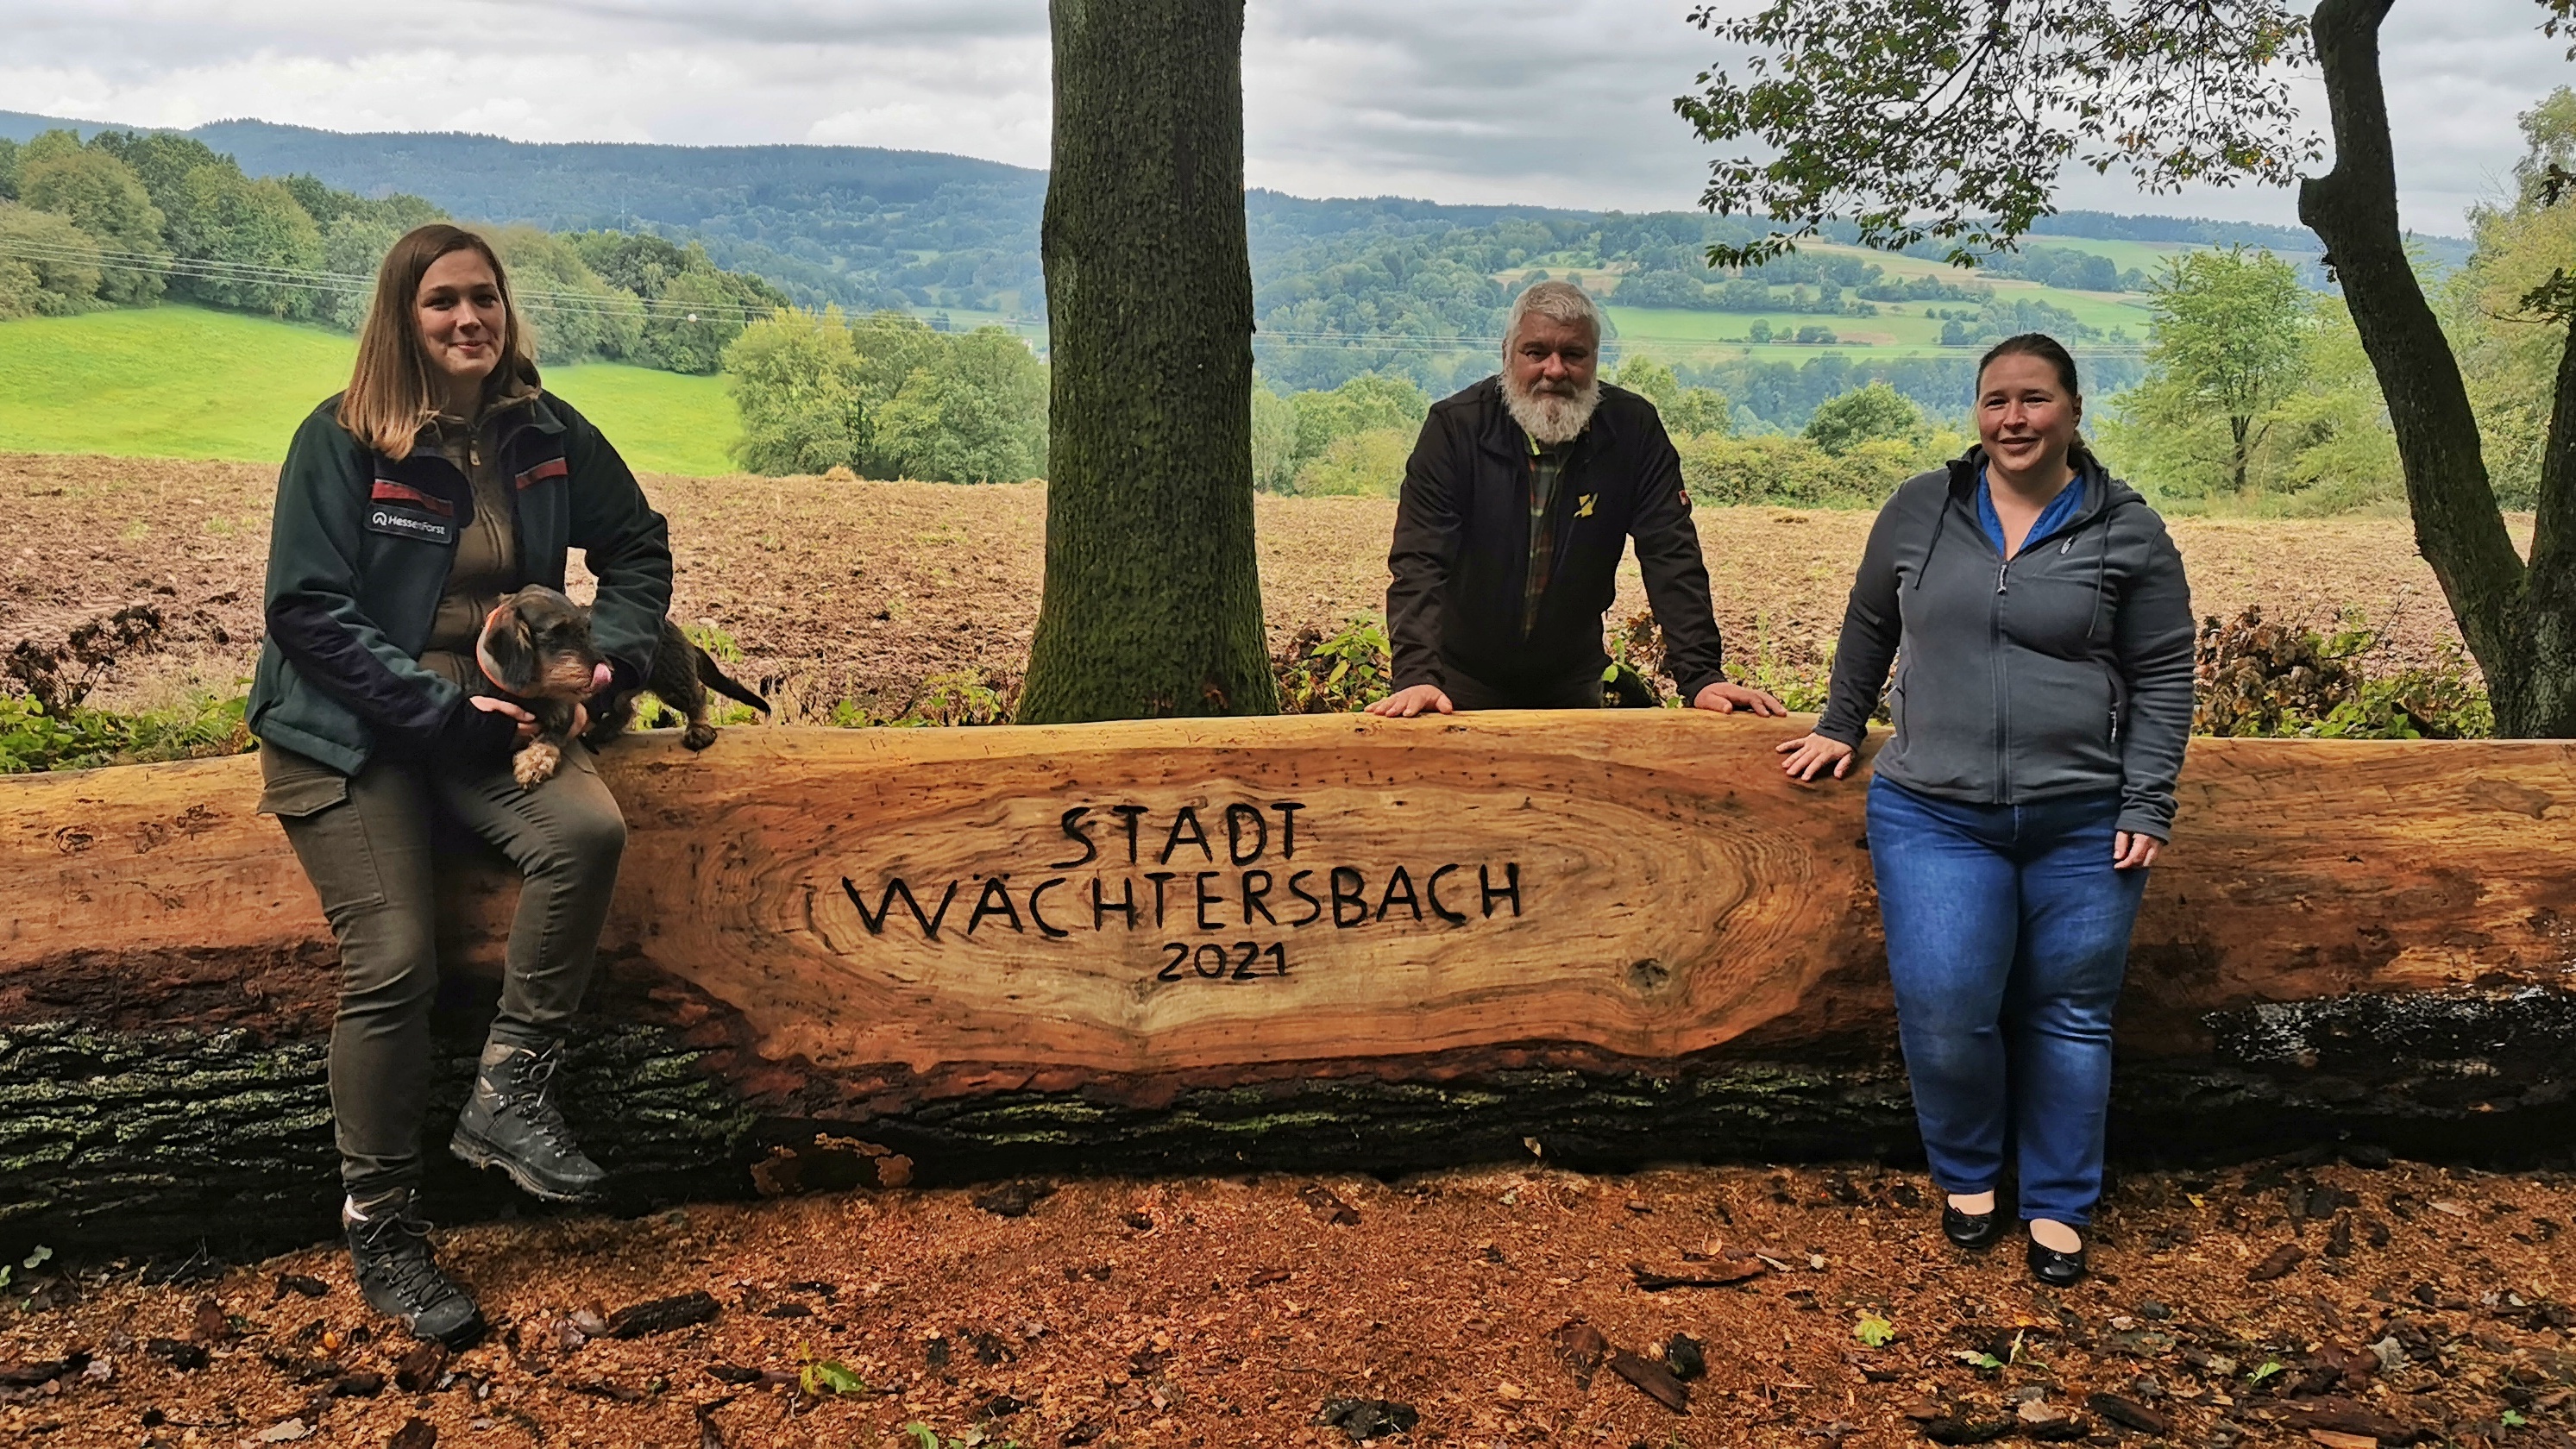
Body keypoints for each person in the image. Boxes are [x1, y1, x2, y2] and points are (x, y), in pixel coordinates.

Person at [250, 223, 674, 1344]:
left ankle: (509, 1095)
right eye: (441, 302)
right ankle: (383, 1225)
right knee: (393, 960)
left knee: (584, 836)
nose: (466, 320)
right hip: (349, 722)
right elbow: (304, 611)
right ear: (403, 319)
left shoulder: (545, 431)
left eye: (482, 298)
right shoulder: (343, 441)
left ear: (506, 309)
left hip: (494, 708)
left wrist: (609, 663)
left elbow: (638, 548)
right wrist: (438, 717)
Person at [1775, 334, 2193, 1287]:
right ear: (1977, 412)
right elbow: (1869, 619)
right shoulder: (1923, 509)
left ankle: (2058, 1200)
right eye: (1995, 399)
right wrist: (1841, 723)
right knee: (1948, 1006)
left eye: (2034, 399)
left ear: (2074, 411)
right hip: (1934, 811)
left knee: (2071, 1014)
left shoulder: (2128, 528)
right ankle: (1967, 1173)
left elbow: (2166, 672)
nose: (2013, 418)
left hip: (2084, 816)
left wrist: (2147, 795)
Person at [1369, 279, 1783, 718]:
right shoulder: (1455, 430)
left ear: (1594, 359)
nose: (1555, 369)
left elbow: (1671, 555)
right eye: (1536, 352)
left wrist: (1702, 677)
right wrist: (1416, 676)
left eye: (1573, 354)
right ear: (1506, 353)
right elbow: (1419, 562)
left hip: (1571, 678)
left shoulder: (1632, 430)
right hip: (1461, 680)